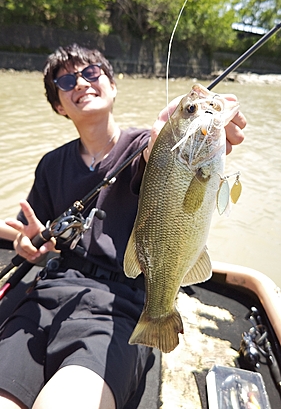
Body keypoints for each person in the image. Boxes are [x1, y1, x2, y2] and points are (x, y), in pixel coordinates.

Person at [0, 43, 246, 409]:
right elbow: (31, 228)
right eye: (66, 80)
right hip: (49, 292)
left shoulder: (150, 144)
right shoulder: (51, 164)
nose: (81, 83)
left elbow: (158, 158)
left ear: (112, 85)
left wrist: (172, 134)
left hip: (119, 304)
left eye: (91, 73)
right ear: (57, 105)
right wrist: (28, 242)